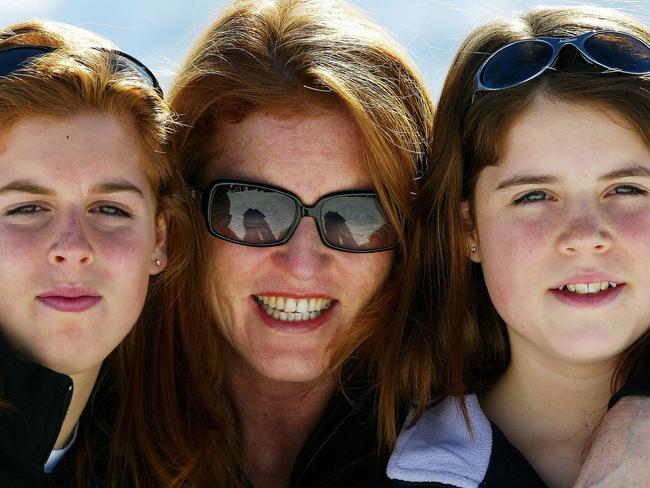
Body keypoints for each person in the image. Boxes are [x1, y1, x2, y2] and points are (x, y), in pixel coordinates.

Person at [168, 0, 433, 485]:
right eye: (255, 211)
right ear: (178, 217)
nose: (304, 265)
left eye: (358, 215)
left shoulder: (479, 449)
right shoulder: (77, 427)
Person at [387, 5, 650, 487]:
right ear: (468, 231)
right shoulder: (400, 471)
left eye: (627, 189)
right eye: (534, 196)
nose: (585, 235)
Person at [0, 19, 195, 486]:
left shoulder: (170, 461)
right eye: (27, 207)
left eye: (109, 208)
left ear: (159, 239)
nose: (73, 248)